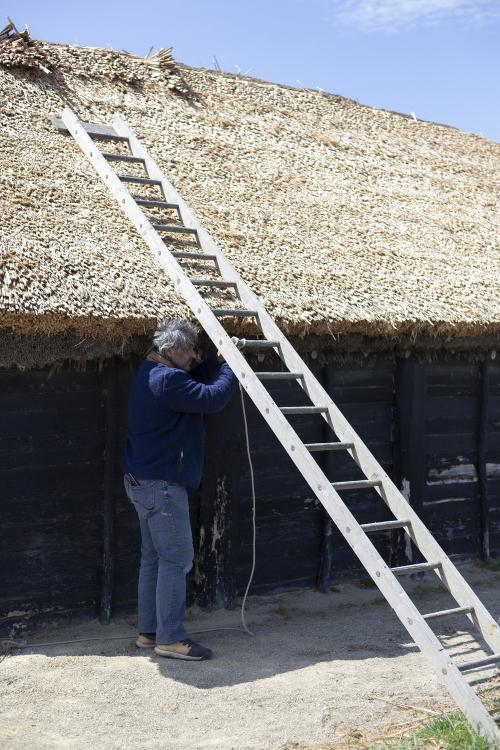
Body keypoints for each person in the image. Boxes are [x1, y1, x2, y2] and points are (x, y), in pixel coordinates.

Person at [123, 319, 239, 661]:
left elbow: (191, 381)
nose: (194, 355)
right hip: (161, 487)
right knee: (176, 558)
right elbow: (213, 397)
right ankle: (171, 638)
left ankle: (149, 633)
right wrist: (231, 364)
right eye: (189, 350)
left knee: (154, 558)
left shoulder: (150, 373)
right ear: (171, 350)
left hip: (140, 481)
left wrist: (212, 364)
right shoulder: (167, 380)